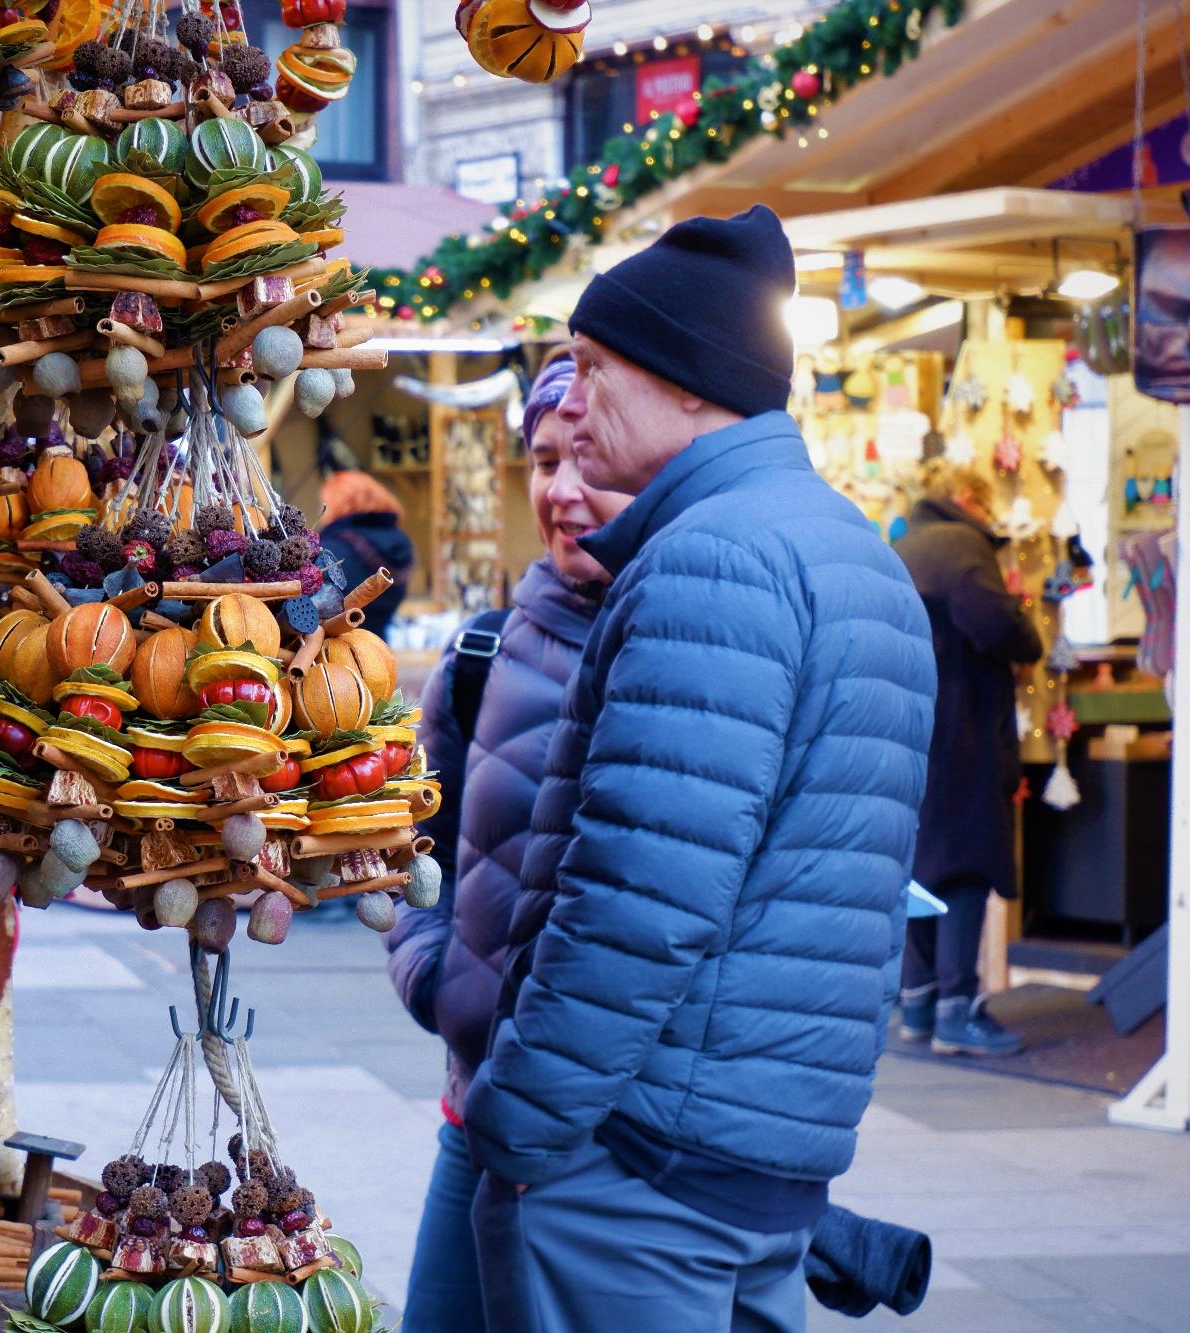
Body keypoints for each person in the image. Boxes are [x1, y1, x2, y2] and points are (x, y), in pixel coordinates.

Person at [459, 205, 937, 1333]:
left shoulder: (709, 560)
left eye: (588, 367)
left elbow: (637, 905)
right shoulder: (846, 549)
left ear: (685, 379)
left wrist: (515, 1121)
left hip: (640, 1168)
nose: (566, 404)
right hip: (762, 1153)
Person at [384, 353, 630, 1332]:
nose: (561, 493)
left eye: (589, 462)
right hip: (472, 1110)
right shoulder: (483, 651)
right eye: (541, 462)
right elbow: (412, 839)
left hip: (613, 1145)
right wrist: (435, 977)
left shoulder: (685, 636)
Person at [891, 461, 1042, 1055]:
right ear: (965, 498)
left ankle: (919, 1004)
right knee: (966, 864)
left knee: (922, 864)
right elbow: (992, 621)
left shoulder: (904, 546)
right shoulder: (960, 544)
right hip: (963, 728)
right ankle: (959, 1009)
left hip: (912, 725)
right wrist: (1028, 636)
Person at [316, 468, 415, 638]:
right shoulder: (401, 542)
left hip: (337, 651)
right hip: (378, 645)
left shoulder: (333, 548)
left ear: (337, 503)